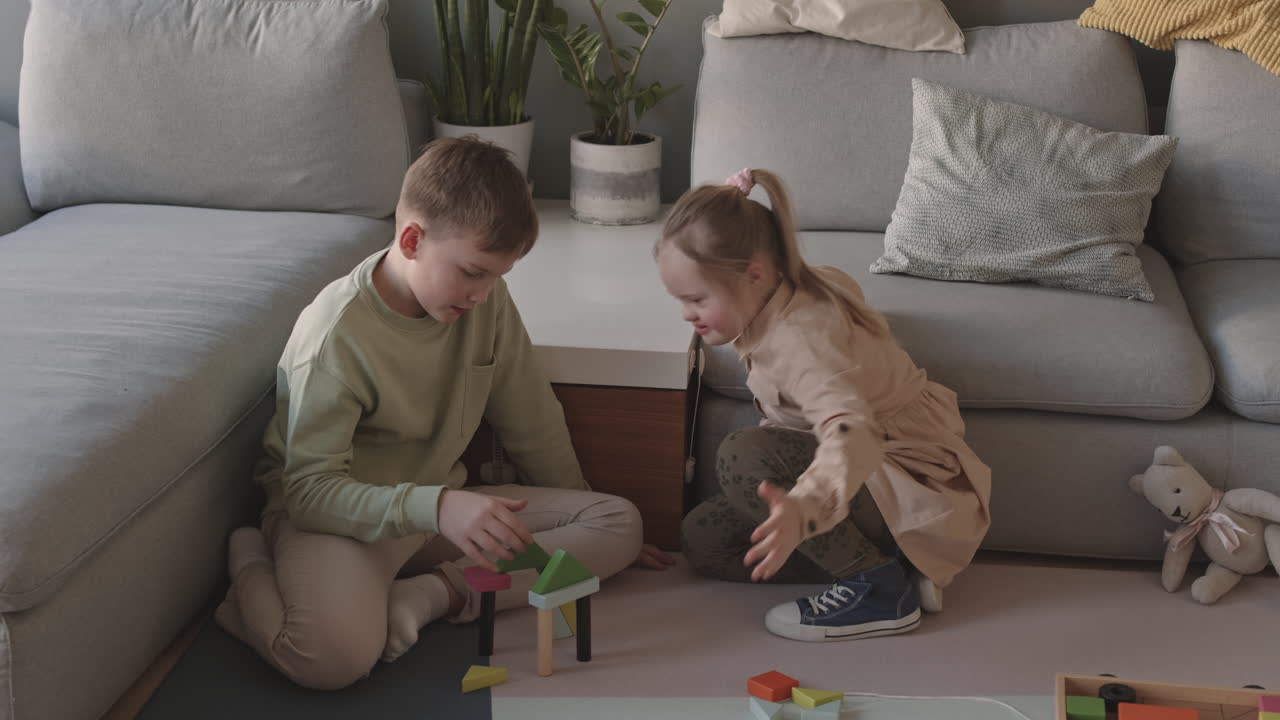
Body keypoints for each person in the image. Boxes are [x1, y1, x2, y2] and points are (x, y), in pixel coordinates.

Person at [215, 136, 674, 690]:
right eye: (473, 272)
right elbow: (311, 493)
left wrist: (582, 520)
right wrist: (436, 507)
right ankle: (251, 564)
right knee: (331, 658)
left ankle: (434, 595)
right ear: (412, 240)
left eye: (497, 276)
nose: (482, 294)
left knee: (618, 523)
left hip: (436, 517)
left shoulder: (484, 302)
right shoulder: (336, 337)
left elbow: (532, 417)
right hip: (338, 522)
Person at [654, 167, 991, 642]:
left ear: (753, 274)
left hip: (898, 477)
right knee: (704, 539)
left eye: (696, 299)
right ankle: (900, 566)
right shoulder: (788, 286)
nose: (687, 314)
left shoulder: (801, 341)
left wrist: (805, 508)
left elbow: (857, 434)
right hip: (858, 477)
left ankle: (878, 588)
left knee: (742, 454)